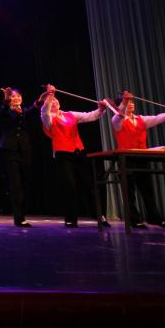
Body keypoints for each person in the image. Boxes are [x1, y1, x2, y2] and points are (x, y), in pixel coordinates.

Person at [110, 91, 165, 229]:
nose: (130, 104)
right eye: (127, 102)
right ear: (120, 105)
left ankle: (154, 218)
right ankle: (134, 219)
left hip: (142, 158)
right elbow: (119, 116)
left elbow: (157, 118)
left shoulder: (141, 119)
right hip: (126, 159)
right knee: (129, 192)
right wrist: (124, 102)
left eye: (131, 102)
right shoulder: (117, 121)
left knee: (147, 190)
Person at [41, 84, 107, 228]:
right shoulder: (48, 118)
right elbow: (44, 111)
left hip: (78, 153)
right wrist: (50, 95)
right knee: (70, 186)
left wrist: (101, 109)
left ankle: (99, 216)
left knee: (89, 185)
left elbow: (90, 116)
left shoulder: (70, 114)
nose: (54, 102)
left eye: (55, 100)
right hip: (63, 155)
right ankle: (71, 218)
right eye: (51, 101)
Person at [0, 87, 42, 227]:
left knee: (25, 183)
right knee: (16, 184)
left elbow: (32, 110)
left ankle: (22, 214)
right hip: (10, 150)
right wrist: (6, 99)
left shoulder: (25, 112)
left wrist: (39, 101)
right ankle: (19, 217)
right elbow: (4, 113)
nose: (16, 98)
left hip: (25, 150)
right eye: (13, 96)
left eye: (18, 96)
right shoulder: (6, 111)